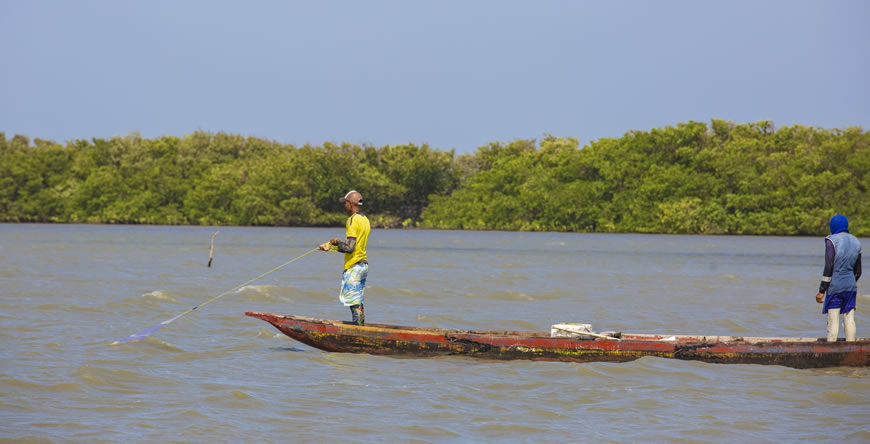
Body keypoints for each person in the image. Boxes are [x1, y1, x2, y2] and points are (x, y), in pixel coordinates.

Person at [319, 190, 370, 325]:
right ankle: (359, 327)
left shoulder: (352, 220)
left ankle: (357, 330)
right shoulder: (365, 220)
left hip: (354, 266)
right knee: (357, 300)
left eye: (346, 203)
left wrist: (335, 242)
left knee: (354, 301)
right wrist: (330, 246)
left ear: (351, 203)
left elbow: (349, 247)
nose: (345, 206)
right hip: (363, 265)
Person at [815, 214, 862, 341]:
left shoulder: (831, 240)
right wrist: (850, 282)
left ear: (833, 226)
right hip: (851, 287)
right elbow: (858, 271)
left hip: (835, 286)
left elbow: (829, 265)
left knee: (833, 319)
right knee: (849, 318)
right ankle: (850, 348)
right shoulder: (856, 242)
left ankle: (831, 350)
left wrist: (821, 290)